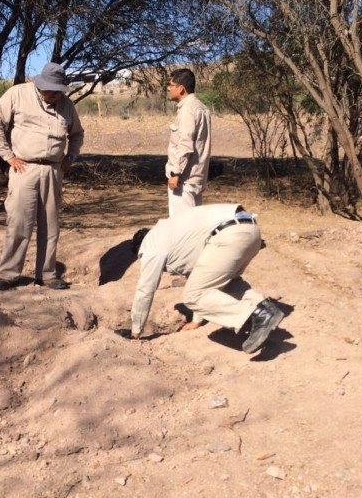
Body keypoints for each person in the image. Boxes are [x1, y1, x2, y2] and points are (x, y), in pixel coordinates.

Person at [122, 204, 284, 354]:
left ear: (139, 248)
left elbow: (145, 289)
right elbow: (199, 276)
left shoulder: (151, 245)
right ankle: (262, 306)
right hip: (250, 228)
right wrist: (196, 321)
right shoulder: (171, 234)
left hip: (228, 233)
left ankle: (258, 314)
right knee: (225, 280)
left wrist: (136, 330)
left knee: (192, 296)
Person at [0, 62, 84, 291]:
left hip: (53, 170)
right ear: (40, 84)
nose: (53, 94)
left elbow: (77, 134)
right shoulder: (18, 94)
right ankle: (9, 274)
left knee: (50, 224)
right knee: (19, 222)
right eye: (49, 89)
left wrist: (71, 157)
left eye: (58, 91)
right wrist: (7, 156)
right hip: (23, 168)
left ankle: (48, 274)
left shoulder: (67, 105)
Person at [165, 68, 211, 216]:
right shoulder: (201, 107)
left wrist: (176, 173)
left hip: (184, 181)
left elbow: (185, 144)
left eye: (170, 85)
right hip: (197, 178)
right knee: (195, 228)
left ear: (181, 88)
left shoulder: (187, 110)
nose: (168, 88)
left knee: (182, 229)